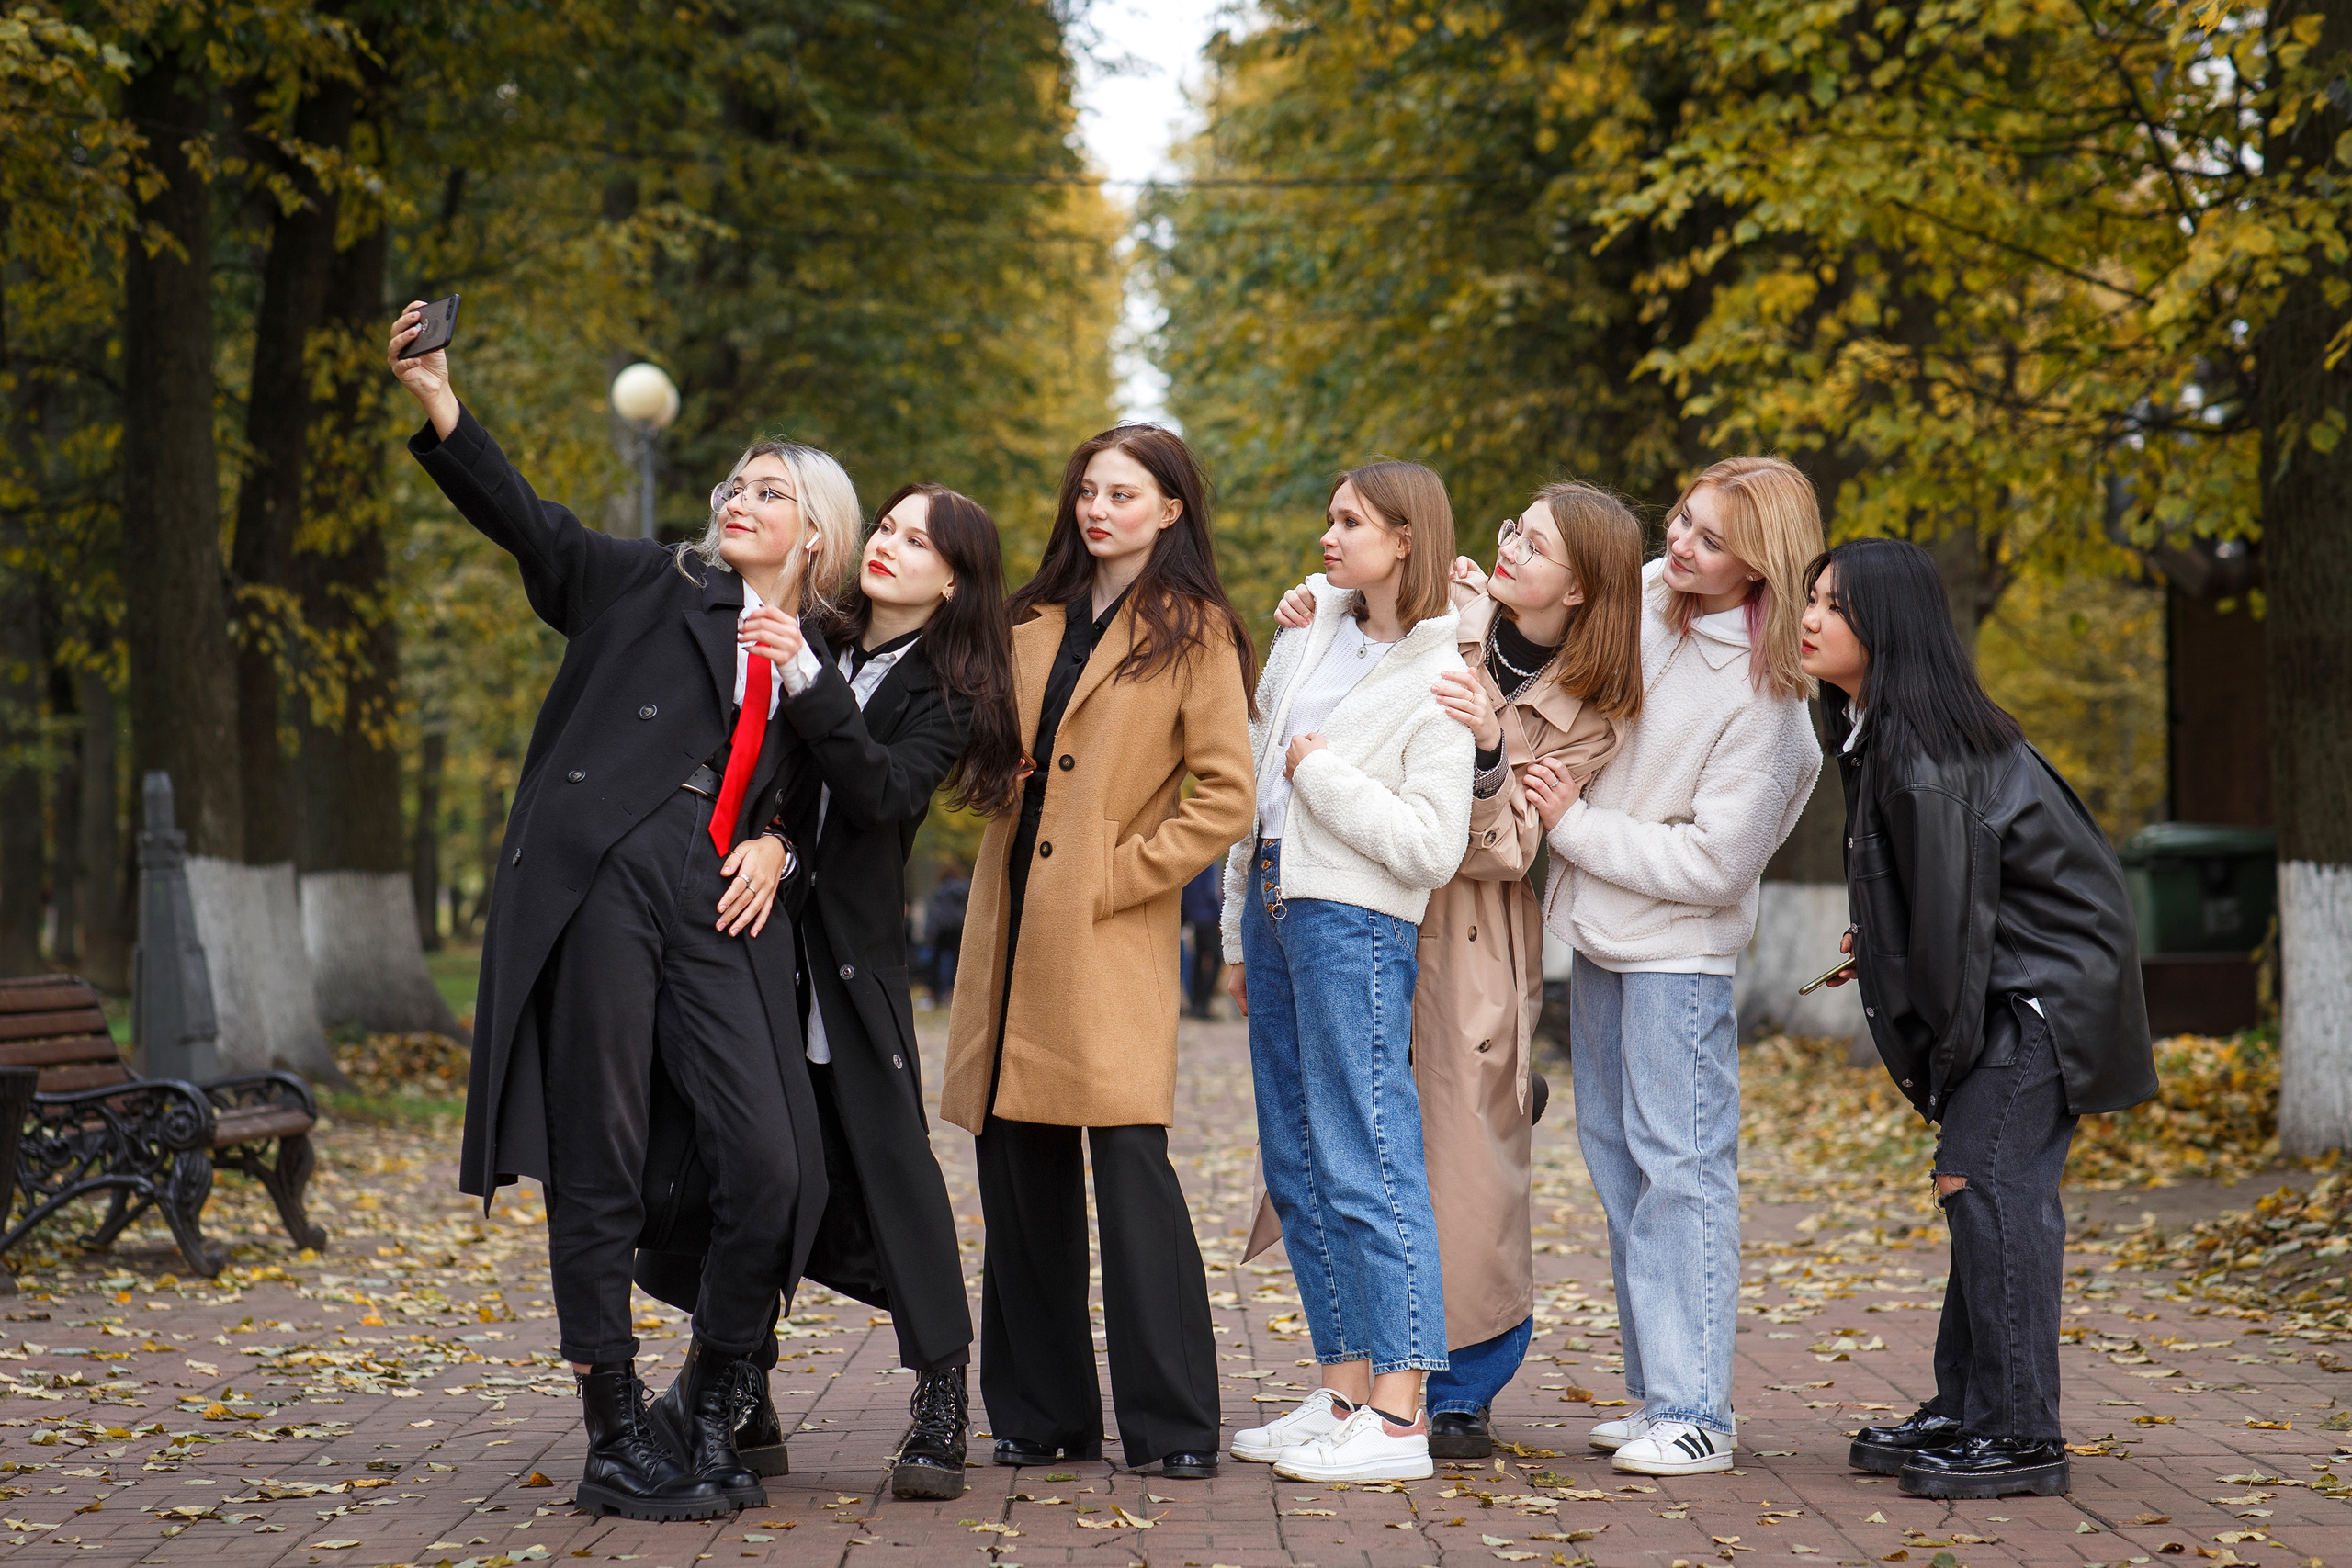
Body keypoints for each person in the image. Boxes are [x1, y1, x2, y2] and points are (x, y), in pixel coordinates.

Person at [386, 304, 854, 1519]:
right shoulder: (654, 582)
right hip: (606, 868)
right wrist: (443, 401)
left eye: (768, 490)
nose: (736, 498)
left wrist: (778, 846)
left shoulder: (818, 658)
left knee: (770, 1160)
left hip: (716, 901)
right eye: (733, 483)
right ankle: (610, 1430)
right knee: (597, 1156)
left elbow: (832, 807)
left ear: (816, 534)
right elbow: (533, 529)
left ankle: (709, 1402)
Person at [632, 483, 1024, 1500]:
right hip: (745, 943)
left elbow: (885, 793)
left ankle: (941, 1398)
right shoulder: (807, 627)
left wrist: (808, 679)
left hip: (847, 969)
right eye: (886, 527)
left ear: (955, 580)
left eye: (920, 542)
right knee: (749, 1171)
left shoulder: (945, 687)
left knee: (891, 1176)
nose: (891, 547)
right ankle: (737, 1388)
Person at [1804, 538, 2154, 1500]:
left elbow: (1957, 938)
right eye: (1810, 598)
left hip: (2037, 998)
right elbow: (1933, 904)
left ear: (1887, 627)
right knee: (1978, 1190)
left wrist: (1948, 1065)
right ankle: (1968, 1409)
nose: (1809, 618)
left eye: (1833, 605)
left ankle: (2020, 1434)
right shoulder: (1883, 733)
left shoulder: (1924, 757)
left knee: (1985, 1186)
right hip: (2011, 986)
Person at [938, 424, 1257, 1480]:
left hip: (1105, 933)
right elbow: (976, 748)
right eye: (1086, 491)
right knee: (1019, 1177)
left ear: (1170, 509)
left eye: (1122, 493)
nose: (1096, 508)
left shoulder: (1196, 632)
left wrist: (1120, 876)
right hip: (1010, 926)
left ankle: (1173, 1425)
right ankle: (1040, 1415)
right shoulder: (1024, 619)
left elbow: (1225, 794)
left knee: (1131, 1174)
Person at [1545, 457, 1825, 1476]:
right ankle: (1658, 1390)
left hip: (1676, 959)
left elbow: (1712, 865)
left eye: (1710, 540)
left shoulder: (1771, 705)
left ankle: (1698, 1408)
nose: (1679, 545)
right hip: (1599, 934)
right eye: (1680, 520)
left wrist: (1570, 826)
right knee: (1618, 1161)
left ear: (1763, 564)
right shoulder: (1649, 600)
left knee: (1684, 1171)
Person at [1219, 460, 1474, 1484]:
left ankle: (1403, 1412)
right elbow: (1253, 769)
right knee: (1295, 1159)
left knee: (1366, 1153)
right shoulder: (1306, 626)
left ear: (1405, 538)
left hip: (1357, 919)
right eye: (1329, 518)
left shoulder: (1444, 669)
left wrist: (1319, 772)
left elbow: (1431, 846)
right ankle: (1342, 1389)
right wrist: (1239, 932)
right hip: (1275, 903)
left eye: (1350, 521)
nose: (1328, 536)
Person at [1180, 864, 1224, 1018]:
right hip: (1207, 913)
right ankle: (1201, 1003)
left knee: (1199, 958)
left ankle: (1197, 1003)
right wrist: (1219, 911)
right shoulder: (1209, 855)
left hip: (1196, 912)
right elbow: (1210, 887)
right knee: (1214, 958)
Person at [926, 863, 971, 1007]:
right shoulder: (966, 888)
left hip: (942, 929)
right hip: (959, 928)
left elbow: (935, 912)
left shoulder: (942, 889)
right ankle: (953, 993)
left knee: (936, 962)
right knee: (957, 963)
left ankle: (934, 994)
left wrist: (930, 933)